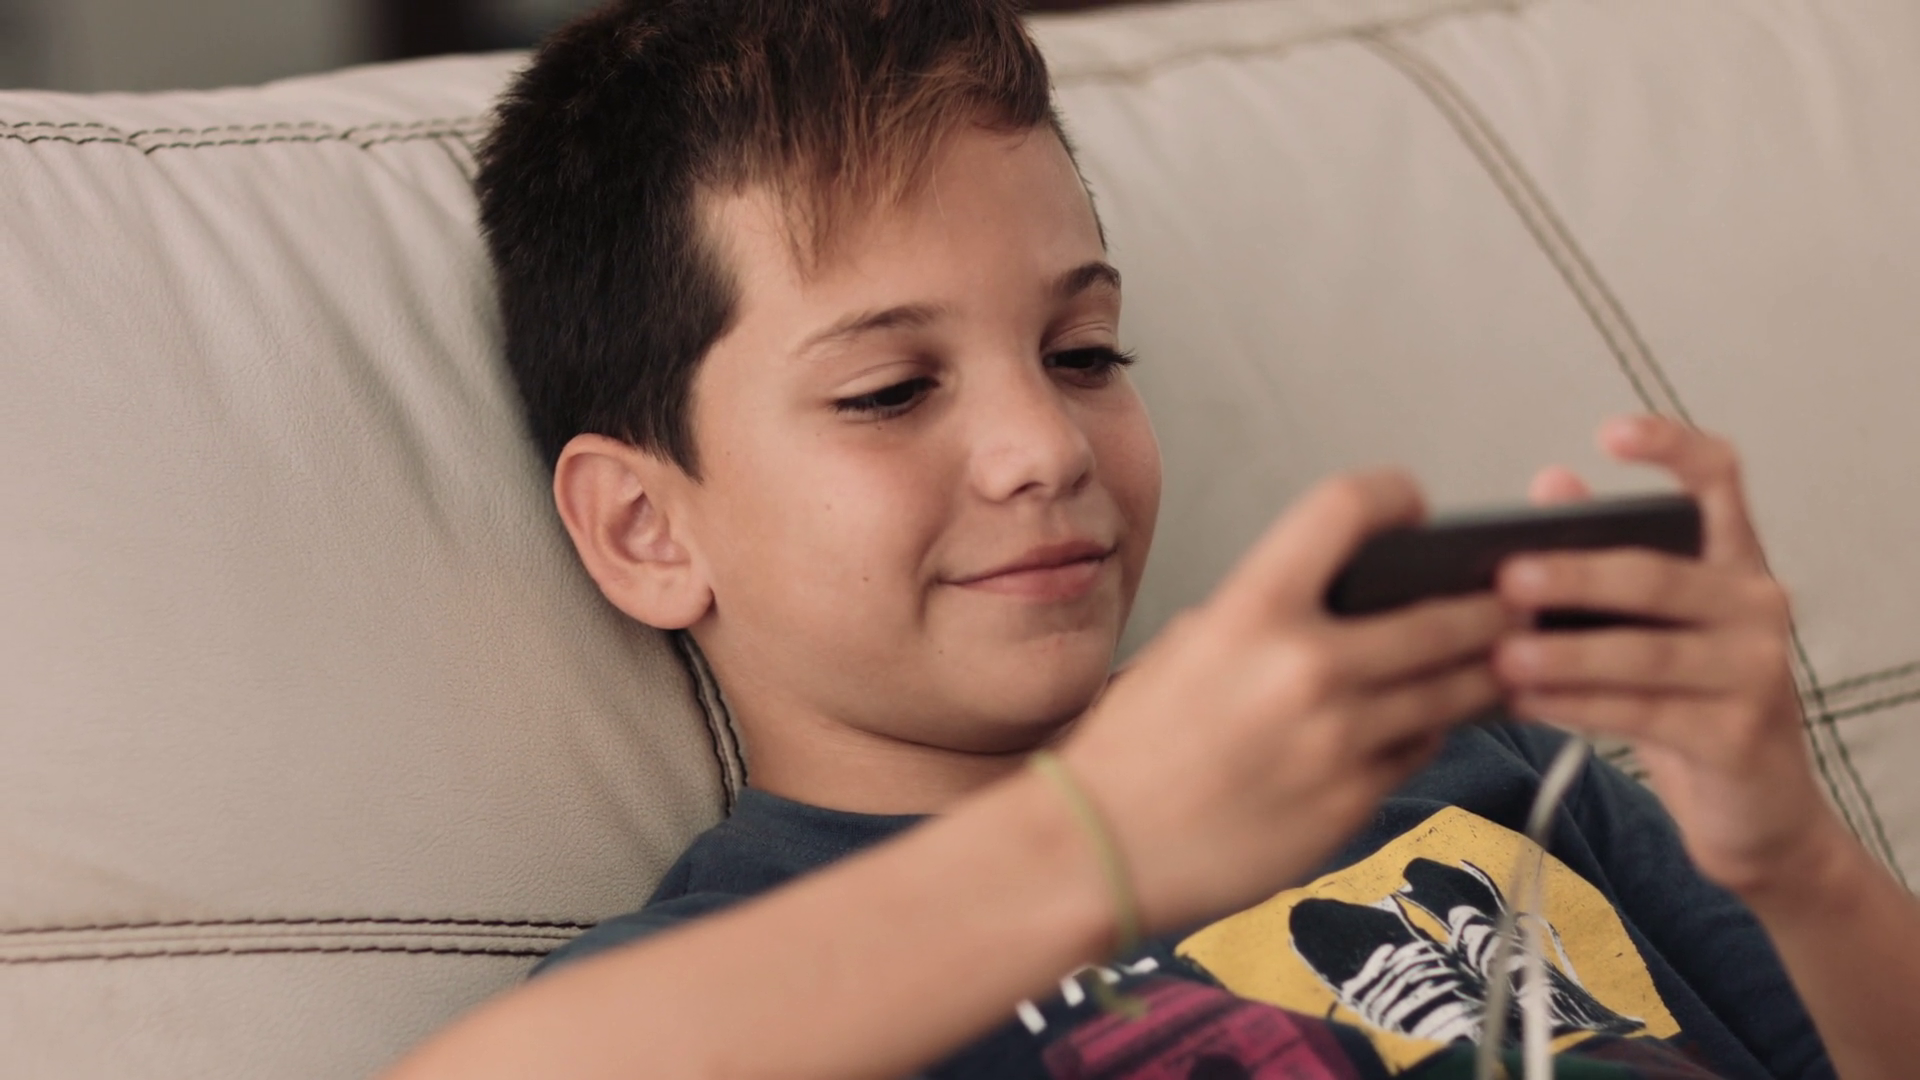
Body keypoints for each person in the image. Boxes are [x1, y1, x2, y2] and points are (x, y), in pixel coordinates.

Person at [387, 2, 1920, 1077]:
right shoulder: (730, 990)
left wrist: (1796, 862)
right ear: (648, 526)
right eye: (890, 390)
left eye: (1084, 355)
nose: (1048, 447)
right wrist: (1101, 839)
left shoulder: (1472, 763)